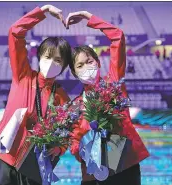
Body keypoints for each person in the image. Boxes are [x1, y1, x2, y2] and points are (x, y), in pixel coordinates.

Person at [0, 5, 72, 185]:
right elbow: (15, 32)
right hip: (3, 156)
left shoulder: (63, 98)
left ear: (64, 66)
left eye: (58, 60)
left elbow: (66, 134)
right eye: (47, 57)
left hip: (33, 166)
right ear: (39, 57)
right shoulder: (23, 76)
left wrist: (60, 148)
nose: (51, 63)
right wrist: (43, 11)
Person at [66, 10, 150, 185]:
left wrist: (89, 17)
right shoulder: (76, 106)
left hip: (124, 166)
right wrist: (82, 150)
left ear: (98, 62)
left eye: (89, 61)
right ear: (74, 73)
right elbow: (74, 140)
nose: (86, 67)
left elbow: (117, 36)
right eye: (80, 65)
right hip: (93, 174)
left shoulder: (113, 84)